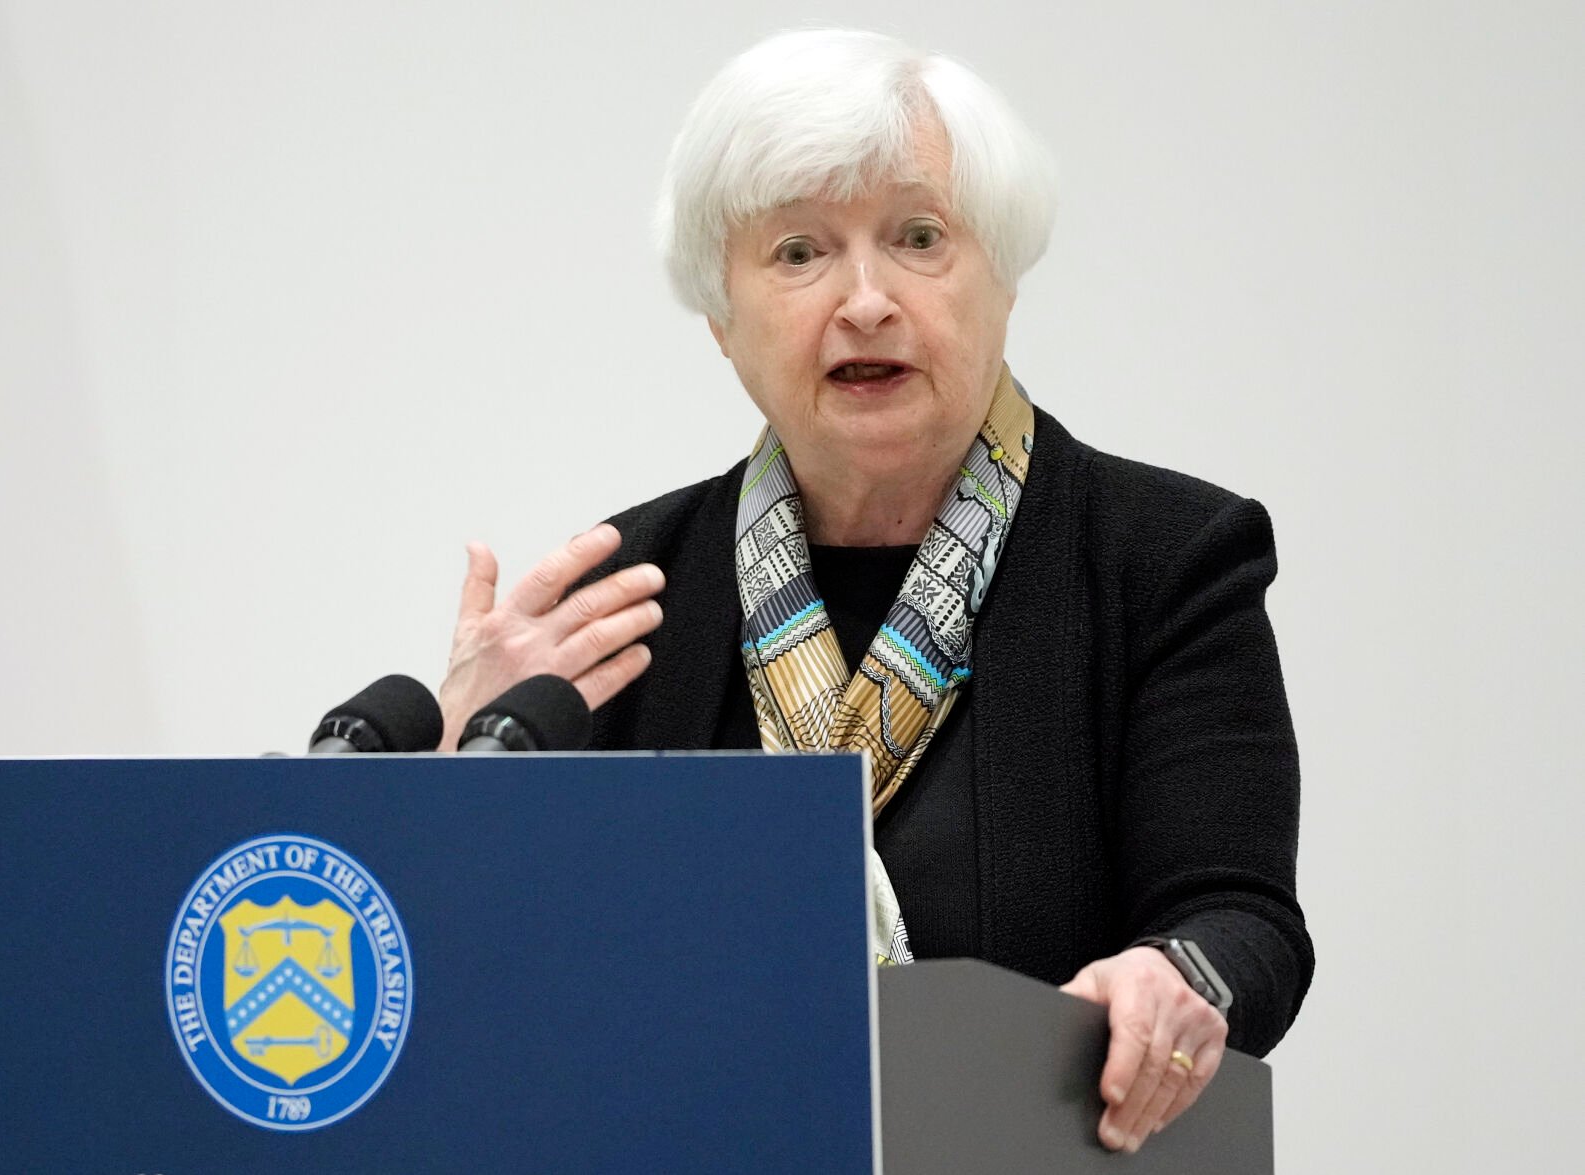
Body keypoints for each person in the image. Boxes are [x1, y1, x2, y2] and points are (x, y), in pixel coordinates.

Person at [434, 28, 1313, 1154]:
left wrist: (1173, 976)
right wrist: (454, 780)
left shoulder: (1165, 556)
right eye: (797, 252)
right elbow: (499, 972)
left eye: (917, 238)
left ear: (1001, 278)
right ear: (720, 320)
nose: (864, 299)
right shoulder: (623, 597)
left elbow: (1243, 922)